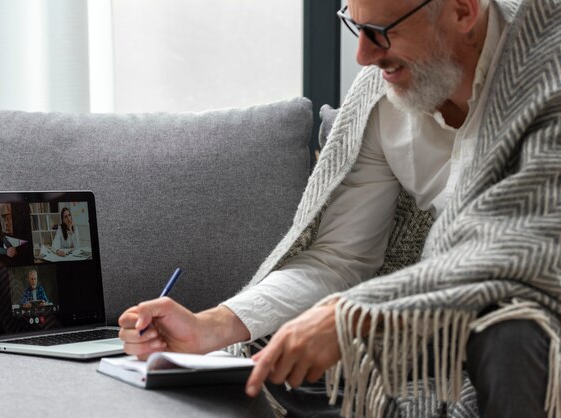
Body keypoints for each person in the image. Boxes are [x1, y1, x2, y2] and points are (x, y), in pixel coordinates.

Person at [119, 0, 561, 417]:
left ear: (462, 10)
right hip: (432, 315)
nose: (363, 56)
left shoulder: (548, 61)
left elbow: (527, 249)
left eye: (380, 32)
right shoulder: (382, 93)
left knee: (511, 329)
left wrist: (354, 314)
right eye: (354, 24)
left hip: (534, 312)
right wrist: (212, 326)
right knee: (275, 355)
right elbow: (339, 259)